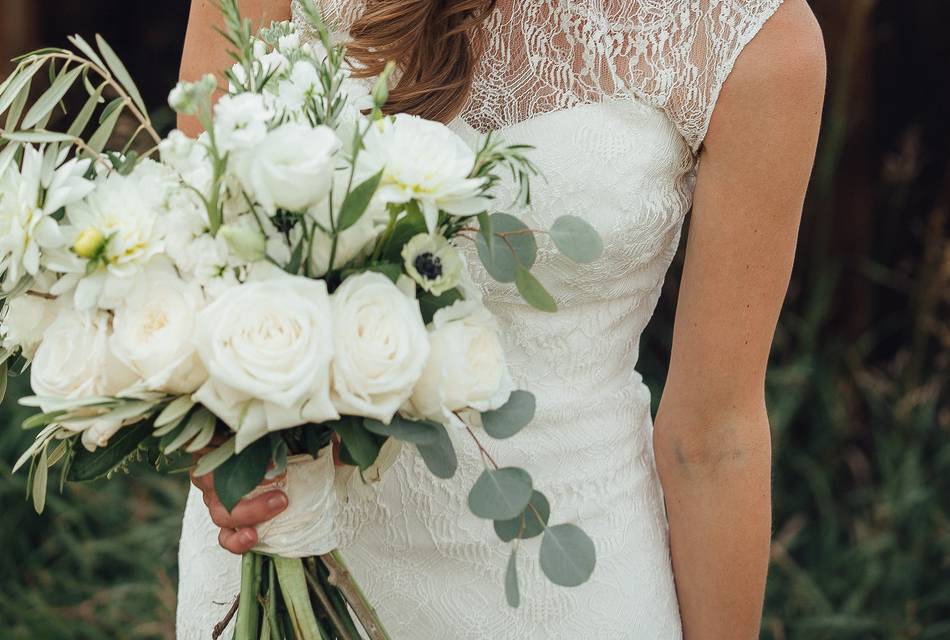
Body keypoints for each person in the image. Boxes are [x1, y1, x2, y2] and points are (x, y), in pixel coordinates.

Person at [176, 1, 826, 638]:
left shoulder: (754, 38)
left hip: (563, 585)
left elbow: (712, 438)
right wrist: (222, 447)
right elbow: (191, 257)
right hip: (282, 549)